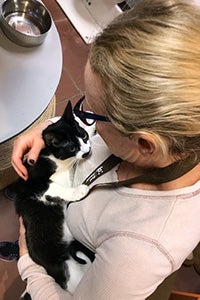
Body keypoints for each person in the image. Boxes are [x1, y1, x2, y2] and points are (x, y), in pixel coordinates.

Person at [10, 0, 200, 299]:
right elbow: (89, 127)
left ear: (144, 144)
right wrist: (47, 132)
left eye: (95, 114)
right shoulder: (174, 135)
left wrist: (28, 263)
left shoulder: (140, 250)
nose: (90, 123)